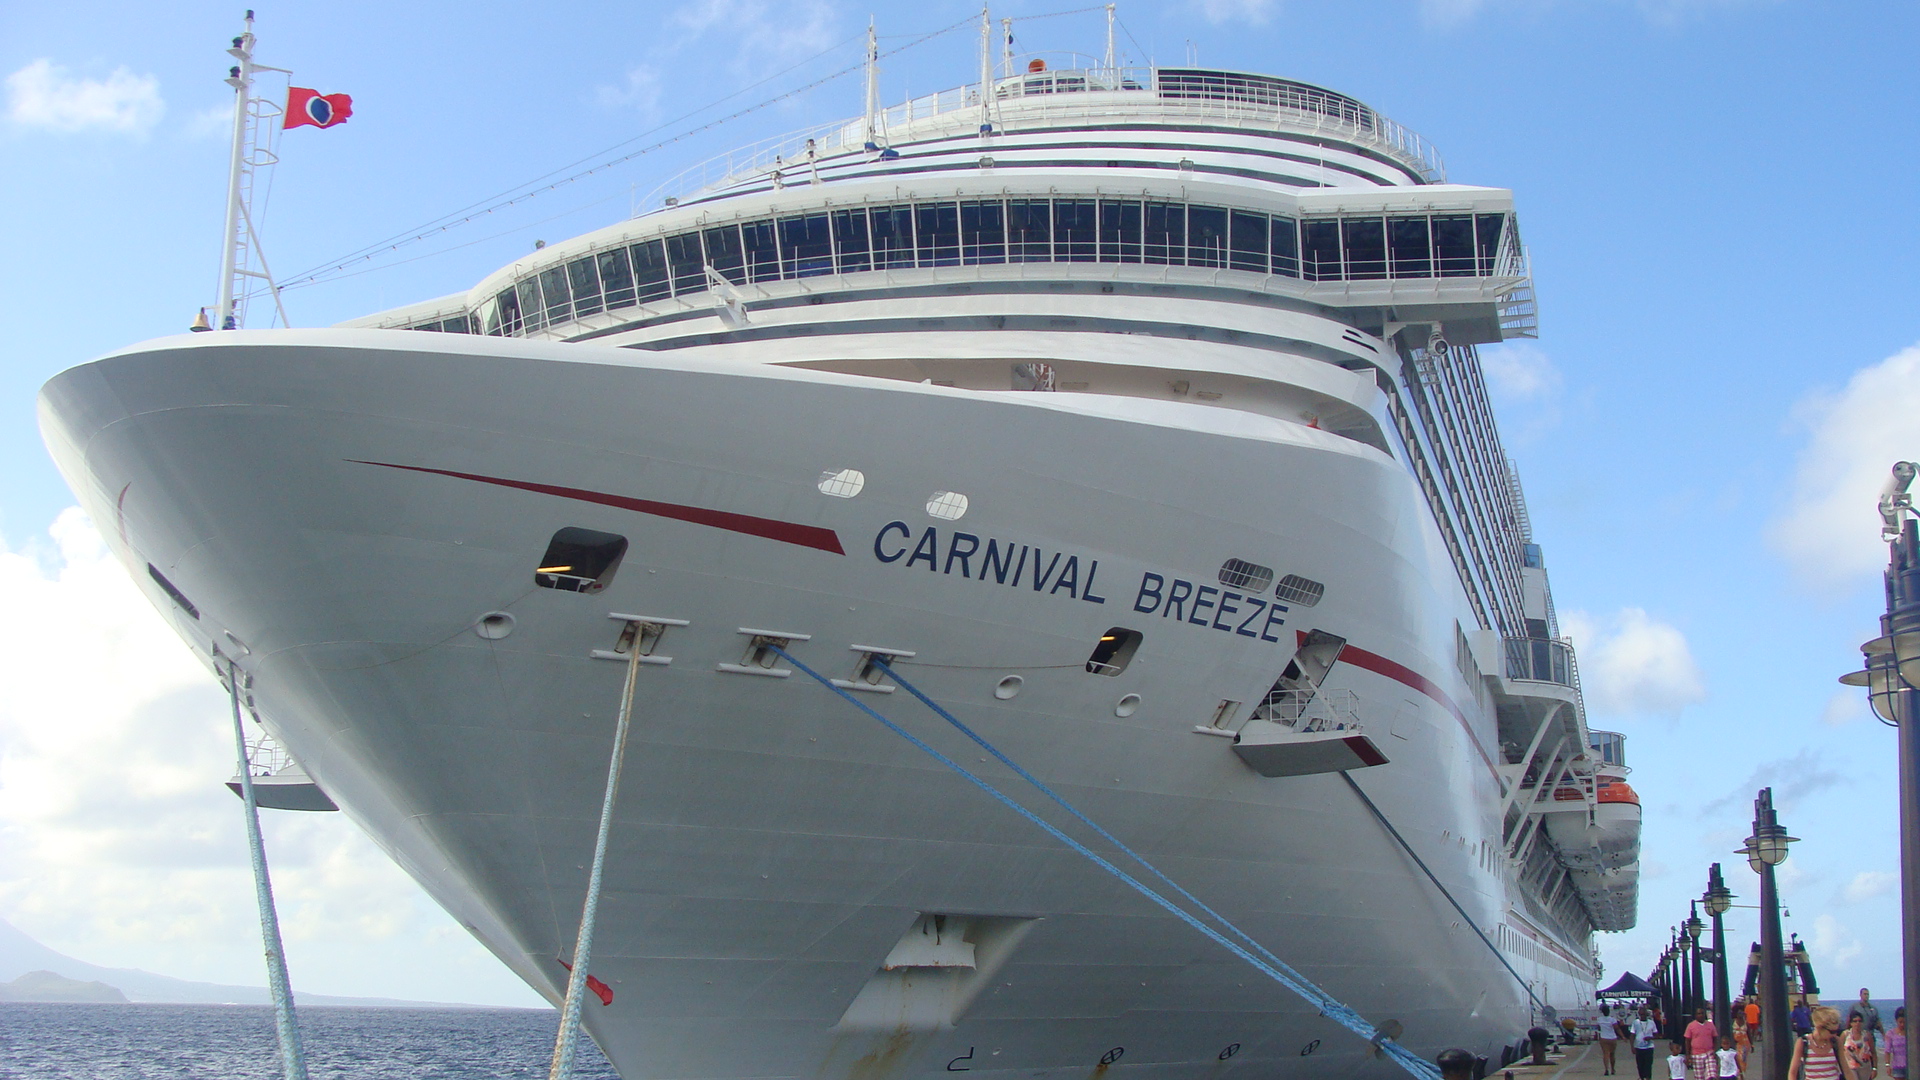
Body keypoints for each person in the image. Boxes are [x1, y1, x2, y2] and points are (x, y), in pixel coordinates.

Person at [1791, 1004, 1861, 1080]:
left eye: (1836, 1031)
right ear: (1819, 1028)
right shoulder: (1803, 1042)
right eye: (1832, 1032)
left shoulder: (1835, 1042)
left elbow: (1846, 1070)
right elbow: (1793, 1072)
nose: (1834, 1035)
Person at [1688, 1008, 1720, 1080]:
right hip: (1696, 1054)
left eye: (1702, 1013)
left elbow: (1715, 1038)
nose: (1701, 1015)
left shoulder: (1710, 1025)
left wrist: (1715, 1050)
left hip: (1709, 1053)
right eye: (1699, 1014)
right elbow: (1687, 1040)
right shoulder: (1691, 1026)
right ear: (1696, 1015)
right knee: (1699, 1077)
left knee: (1712, 1074)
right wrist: (1688, 1055)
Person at [1633, 1006, 1663, 1080]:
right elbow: (1632, 1035)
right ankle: (1641, 1077)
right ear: (1639, 1014)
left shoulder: (1651, 1023)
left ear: (1647, 1014)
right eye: (1641, 1014)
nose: (1642, 1016)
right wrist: (1632, 1046)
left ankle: (1648, 1077)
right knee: (1640, 1064)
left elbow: (1656, 1034)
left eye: (1644, 1014)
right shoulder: (1635, 1022)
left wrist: (1650, 1038)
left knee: (1648, 1064)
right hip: (1638, 1046)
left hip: (1649, 1047)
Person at [1848, 1014, 1880, 1080]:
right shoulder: (1845, 1035)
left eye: (1859, 1021)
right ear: (1851, 1023)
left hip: (1865, 1067)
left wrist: (1874, 1068)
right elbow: (1839, 1052)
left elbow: (1873, 1052)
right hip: (1850, 1067)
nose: (1857, 1023)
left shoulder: (1867, 1035)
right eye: (1855, 1021)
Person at [1600, 1005, 1623, 1076]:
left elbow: (1598, 1028)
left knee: (1606, 1054)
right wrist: (1623, 1036)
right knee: (1612, 1054)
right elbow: (1617, 1028)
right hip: (1612, 1038)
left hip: (1604, 1037)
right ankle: (1613, 1069)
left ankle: (1606, 1069)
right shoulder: (1612, 1020)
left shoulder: (1599, 1019)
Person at [1889, 1008, 1907, 1080]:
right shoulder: (1891, 1033)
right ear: (1896, 1021)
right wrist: (1887, 1065)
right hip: (1897, 1066)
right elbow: (1887, 1050)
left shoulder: (1912, 1032)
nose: (1902, 1024)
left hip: (1911, 1065)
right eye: (1900, 1022)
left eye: (1904, 1022)